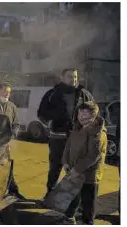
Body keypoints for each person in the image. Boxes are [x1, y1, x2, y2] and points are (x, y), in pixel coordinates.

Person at [37, 68, 94, 199]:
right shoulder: (52, 94)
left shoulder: (84, 94)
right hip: (57, 138)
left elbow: (94, 112)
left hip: (77, 139)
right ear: (62, 78)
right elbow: (41, 113)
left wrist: (86, 130)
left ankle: (73, 199)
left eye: (75, 77)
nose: (73, 79)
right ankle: (49, 194)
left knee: (75, 169)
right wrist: (50, 123)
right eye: (69, 76)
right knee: (55, 167)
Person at [61, 101, 107, 224]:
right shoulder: (77, 128)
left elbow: (93, 156)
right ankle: (69, 218)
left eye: (85, 114)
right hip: (74, 171)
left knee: (88, 203)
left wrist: (76, 169)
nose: (81, 116)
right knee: (73, 196)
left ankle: (88, 222)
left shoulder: (98, 133)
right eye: (80, 113)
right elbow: (68, 145)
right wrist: (65, 161)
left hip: (90, 176)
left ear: (94, 116)